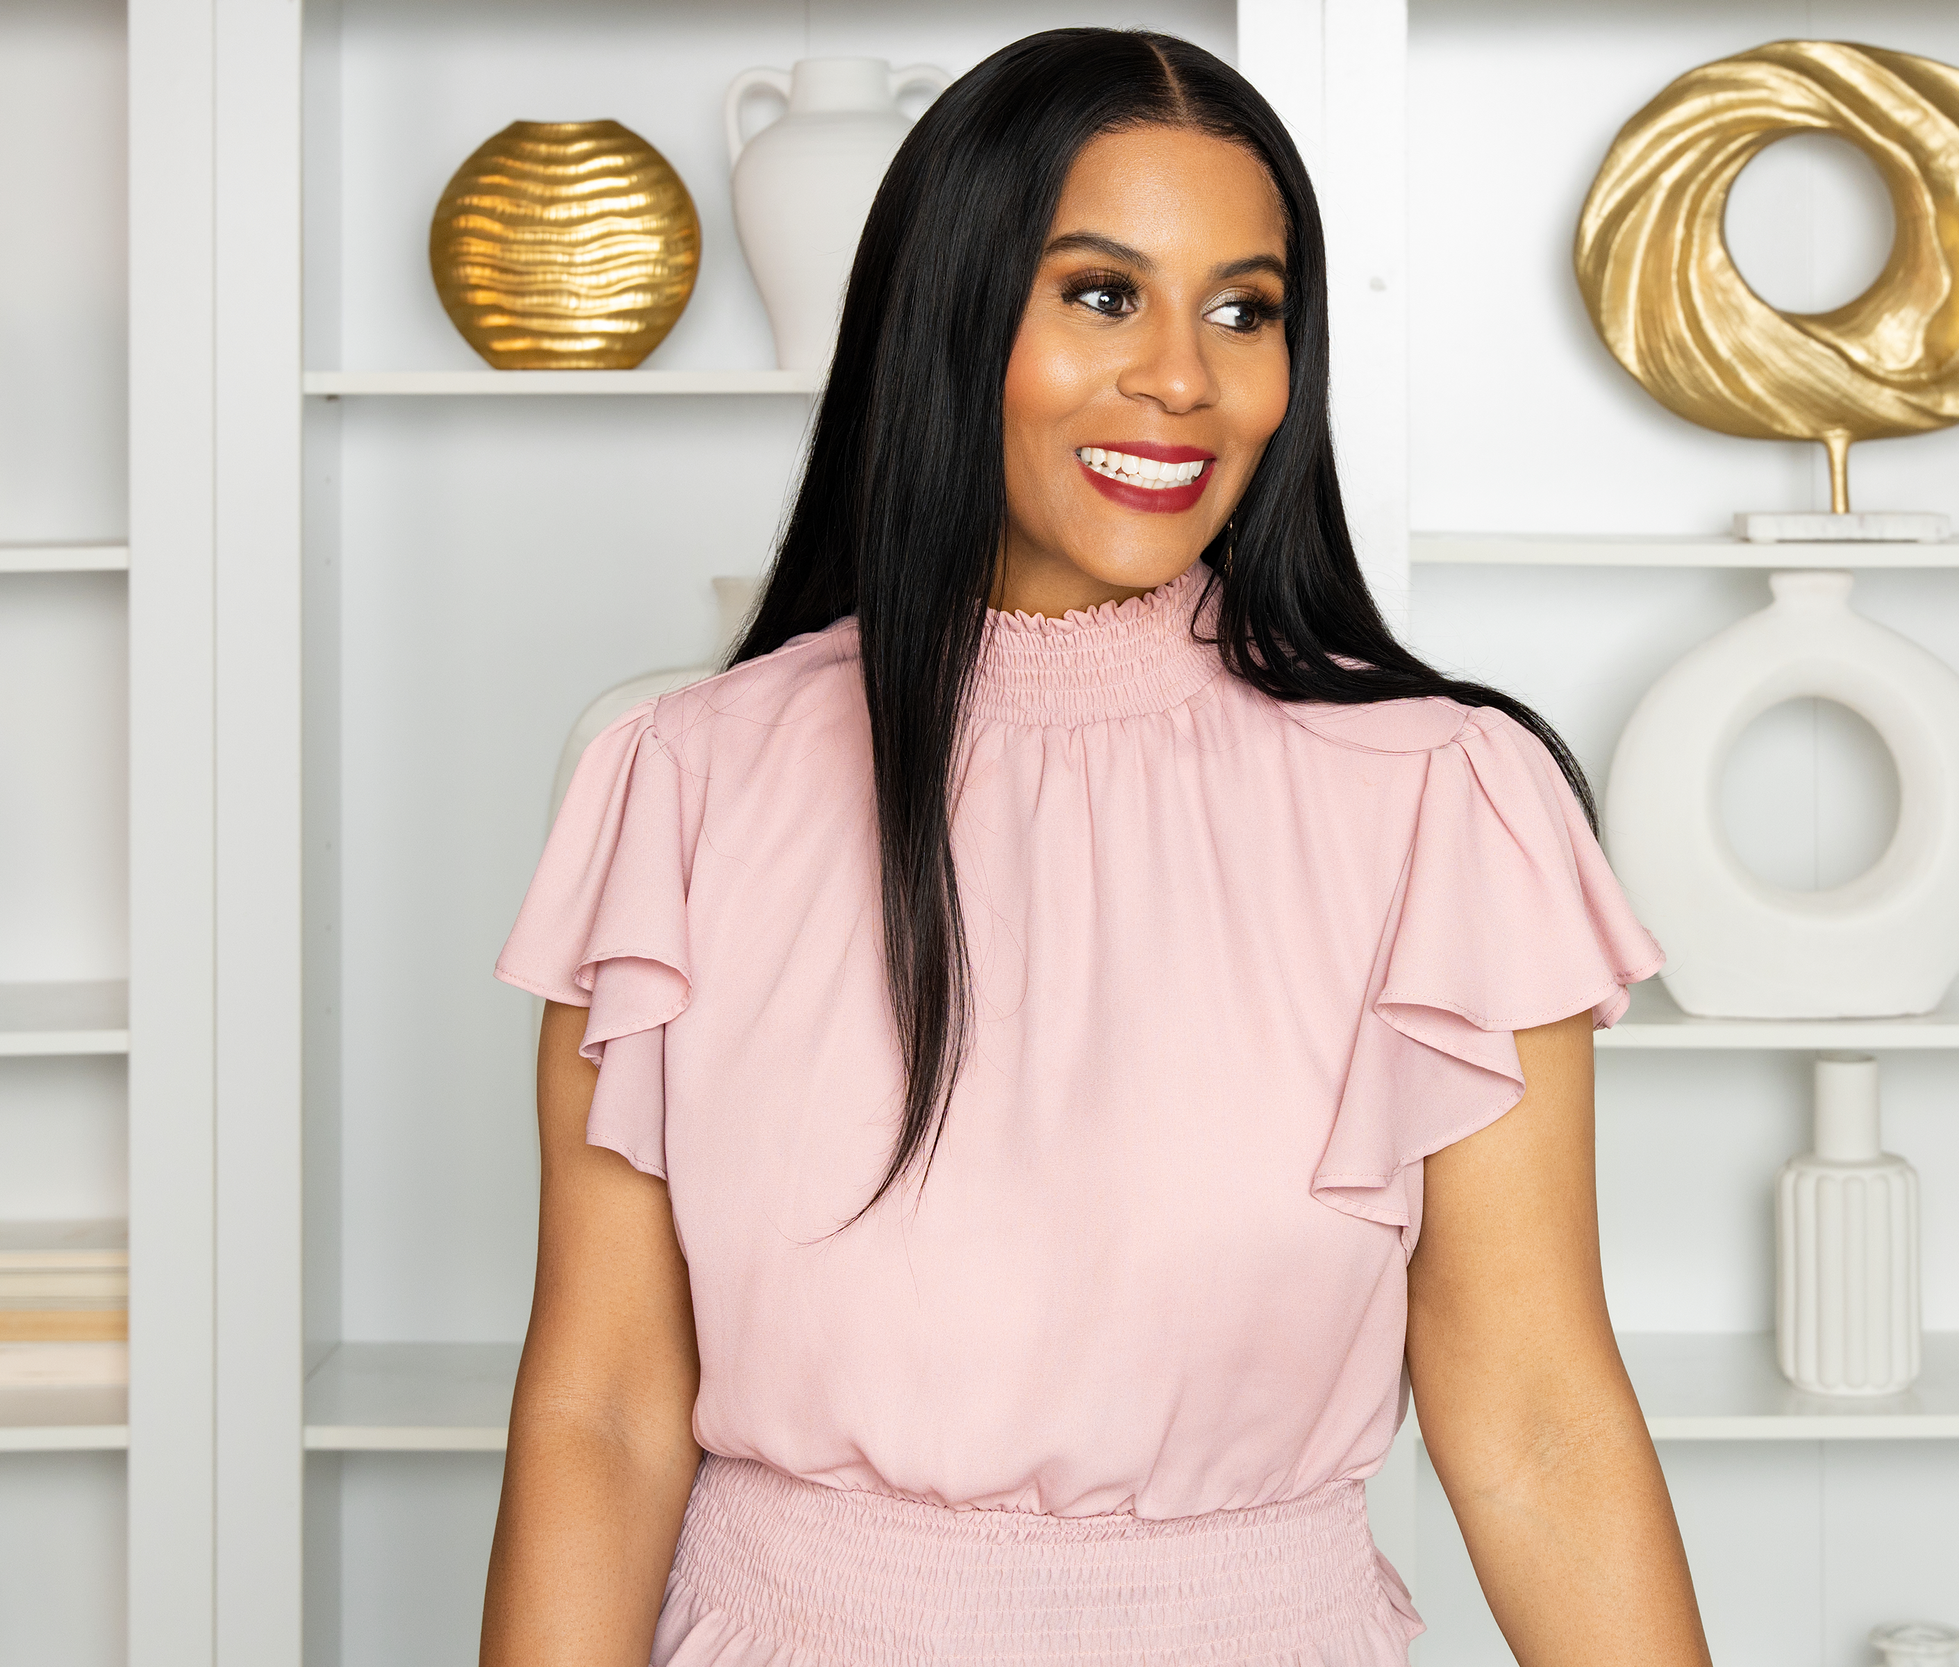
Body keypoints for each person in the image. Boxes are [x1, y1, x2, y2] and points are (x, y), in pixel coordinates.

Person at [478, 27, 1713, 1667]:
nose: (1185, 378)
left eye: (1246, 308)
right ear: (955, 317)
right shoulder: (682, 787)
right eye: (1103, 292)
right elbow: (604, 1413)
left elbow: (1539, 1419)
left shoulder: (1445, 798)